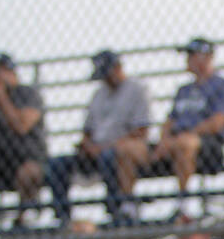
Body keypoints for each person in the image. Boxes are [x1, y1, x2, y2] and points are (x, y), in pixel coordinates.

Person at [45, 50, 152, 226]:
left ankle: (115, 209)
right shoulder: (98, 94)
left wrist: (104, 147)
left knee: (108, 157)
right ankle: (62, 216)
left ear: (118, 68)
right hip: (95, 150)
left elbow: (141, 131)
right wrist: (86, 145)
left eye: (108, 74)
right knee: (56, 164)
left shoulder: (137, 89)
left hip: (118, 149)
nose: (106, 80)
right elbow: (87, 131)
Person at [149, 37, 224, 216]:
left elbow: (218, 122)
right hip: (175, 141)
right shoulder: (184, 90)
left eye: (192, 55)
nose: (188, 60)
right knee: (128, 149)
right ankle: (126, 207)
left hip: (209, 145)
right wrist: (165, 140)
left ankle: (183, 202)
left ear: (206, 57)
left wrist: (184, 136)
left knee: (186, 144)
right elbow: (170, 121)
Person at [0, 51, 46, 227]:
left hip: (27, 158)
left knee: (29, 172)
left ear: (10, 73)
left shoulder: (27, 93)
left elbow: (21, 126)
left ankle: (25, 216)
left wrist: (1, 98)